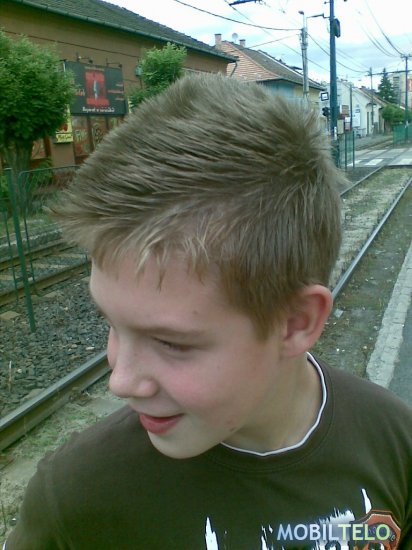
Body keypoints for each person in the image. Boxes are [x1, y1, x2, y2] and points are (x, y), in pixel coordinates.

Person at [5, 74, 412, 550]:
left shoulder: (395, 444)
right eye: (111, 324)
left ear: (296, 322)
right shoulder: (77, 500)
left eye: (171, 343)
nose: (121, 381)